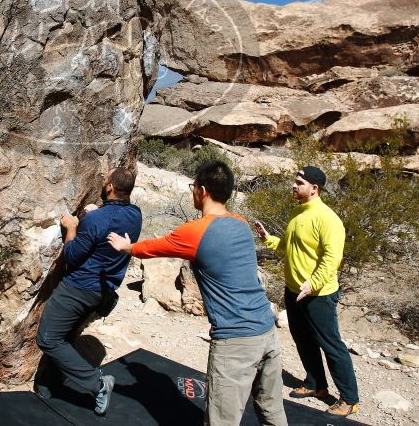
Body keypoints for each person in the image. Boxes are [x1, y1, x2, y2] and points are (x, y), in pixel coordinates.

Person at [108, 160, 286, 426]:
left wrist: (126, 247)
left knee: (221, 420)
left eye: (193, 187)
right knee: (271, 410)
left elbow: (155, 247)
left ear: (201, 191)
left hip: (236, 340)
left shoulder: (196, 231)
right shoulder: (240, 222)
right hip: (267, 331)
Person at [35, 167, 142, 416]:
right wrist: (97, 215)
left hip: (79, 287)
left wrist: (72, 227)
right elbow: (109, 225)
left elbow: (72, 256)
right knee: (66, 336)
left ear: (110, 187)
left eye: (106, 181)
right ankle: (48, 387)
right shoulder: (136, 215)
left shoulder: (97, 220)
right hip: (102, 291)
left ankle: (98, 385)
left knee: (48, 338)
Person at [255, 166, 360, 418]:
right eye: (294, 180)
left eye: (299, 182)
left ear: (315, 188)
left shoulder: (327, 219)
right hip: (294, 290)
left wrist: (313, 284)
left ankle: (349, 399)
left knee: (331, 345)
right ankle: (316, 385)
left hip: (318, 294)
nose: (293, 185)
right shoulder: (297, 212)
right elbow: (291, 245)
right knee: (303, 339)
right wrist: (269, 238)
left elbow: (332, 259)